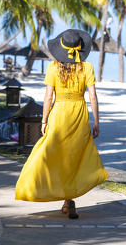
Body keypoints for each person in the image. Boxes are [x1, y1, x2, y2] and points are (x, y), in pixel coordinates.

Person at [15, 29, 108, 219]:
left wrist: (43, 120)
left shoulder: (52, 67)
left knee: (50, 154)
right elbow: (93, 97)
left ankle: (53, 194)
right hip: (79, 114)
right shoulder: (87, 67)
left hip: (59, 114)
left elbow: (48, 96)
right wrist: (97, 121)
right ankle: (69, 200)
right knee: (74, 158)